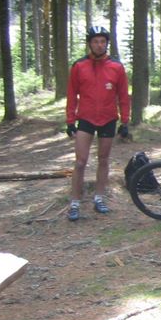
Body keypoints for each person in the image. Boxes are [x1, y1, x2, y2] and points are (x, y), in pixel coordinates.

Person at [65, 26, 130, 221]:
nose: (99, 45)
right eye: (95, 41)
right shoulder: (79, 66)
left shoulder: (116, 67)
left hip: (108, 119)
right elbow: (71, 95)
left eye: (102, 41)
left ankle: (99, 198)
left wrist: (125, 121)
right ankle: (75, 202)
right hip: (85, 118)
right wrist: (70, 121)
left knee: (103, 160)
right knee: (80, 162)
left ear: (107, 44)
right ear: (90, 44)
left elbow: (123, 97)